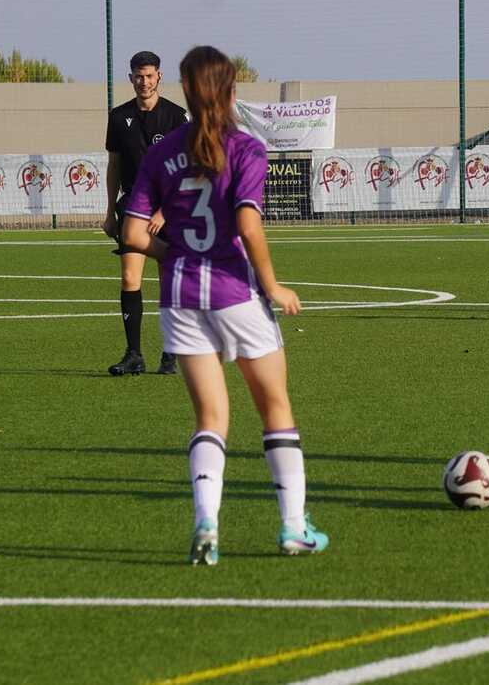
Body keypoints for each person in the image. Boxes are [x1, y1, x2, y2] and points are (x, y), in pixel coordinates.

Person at [121, 45, 329, 563]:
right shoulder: (245, 148)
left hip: (180, 294)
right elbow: (247, 223)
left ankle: (207, 524)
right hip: (235, 291)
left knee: (210, 416)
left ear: (186, 92)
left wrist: (177, 255)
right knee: (275, 407)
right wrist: (274, 285)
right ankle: (291, 527)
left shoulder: (160, 150)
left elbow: (131, 233)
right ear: (232, 91)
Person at [103, 50, 190, 376]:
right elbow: (114, 165)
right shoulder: (118, 117)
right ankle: (133, 354)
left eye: (150, 76)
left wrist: (165, 211)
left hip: (171, 208)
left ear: (159, 77)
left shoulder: (177, 117)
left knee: (168, 281)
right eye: (138, 76)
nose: (144, 81)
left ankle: (171, 352)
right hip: (133, 206)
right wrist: (110, 210)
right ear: (131, 79)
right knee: (129, 278)